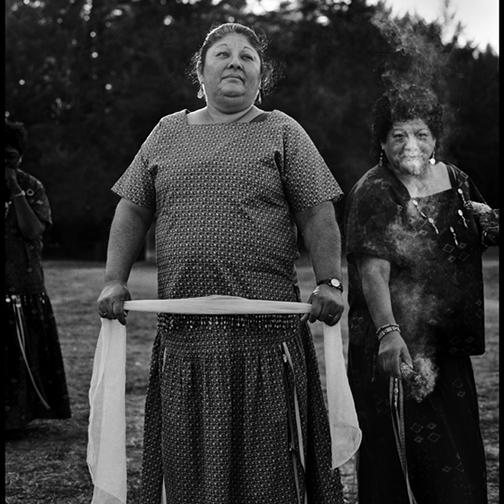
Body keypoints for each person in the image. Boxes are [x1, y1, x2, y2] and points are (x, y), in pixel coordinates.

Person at [97, 22, 346, 504]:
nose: (235, 62)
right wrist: (114, 280)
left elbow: (318, 211)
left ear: (261, 75)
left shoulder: (283, 131)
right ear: (200, 70)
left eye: (248, 56)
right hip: (186, 343)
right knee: (189, 474)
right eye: (223, 54)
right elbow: (132, 208)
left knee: (271, 476)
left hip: (265, 344)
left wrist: (330, 281)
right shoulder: (166, 132)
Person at [344, 85, 499, 504]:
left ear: (435, 138)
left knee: (458, 454)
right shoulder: (375, 189)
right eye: (398, 135)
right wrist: (389, 332)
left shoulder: (455, 178)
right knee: (403, 460)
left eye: (421, 134)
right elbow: (372, 271)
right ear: (381, 140)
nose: (411, 144)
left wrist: (489, 222)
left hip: (450, 341)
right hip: (398, 347)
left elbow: (481, 225)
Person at [4, 120, 71, 436]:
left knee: (22, 351)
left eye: (11, 156)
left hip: (24, 284)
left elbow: (32, 229)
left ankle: (18, 417)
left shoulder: (32, 187)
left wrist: (14, 188)